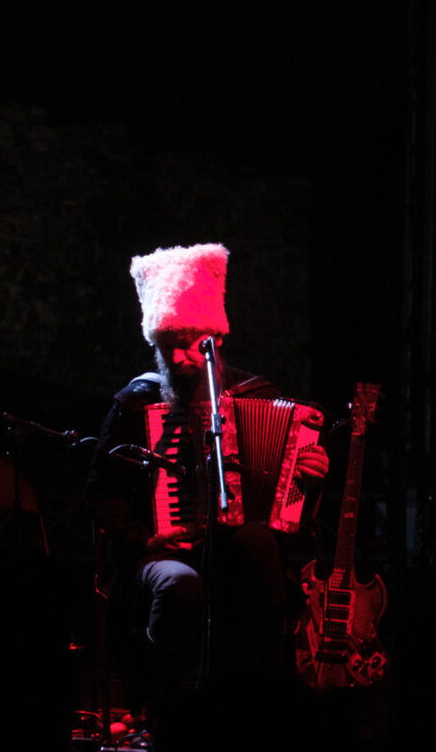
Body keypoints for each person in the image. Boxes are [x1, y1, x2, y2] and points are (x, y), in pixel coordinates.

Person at [86, 243, 328, 702]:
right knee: (180, 584)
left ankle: (263, 696)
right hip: (161, 551)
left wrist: (310, 482)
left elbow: (289, 503)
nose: (178, 358)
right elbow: (101, 492)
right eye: (167, 347)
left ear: (214, 341)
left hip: (236, 546)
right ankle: (160, 705)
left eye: (189, 345)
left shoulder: (256, 394)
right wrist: (145, 538)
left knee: (258, 548)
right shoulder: (136, 403)